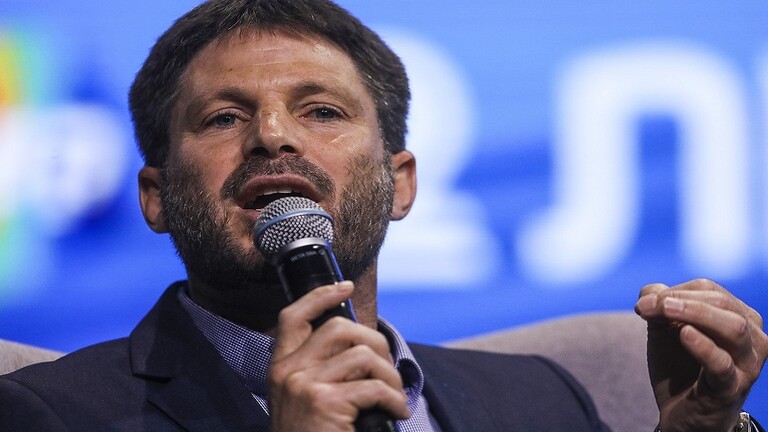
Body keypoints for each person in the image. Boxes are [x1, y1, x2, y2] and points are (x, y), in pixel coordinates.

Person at [1, 0, 766, 430]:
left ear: (400, 185)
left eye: (322, 111)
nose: (274, 136)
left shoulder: (538, 399)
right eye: (225, 117)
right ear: (157, 198)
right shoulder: (49, 414)